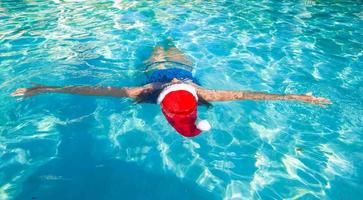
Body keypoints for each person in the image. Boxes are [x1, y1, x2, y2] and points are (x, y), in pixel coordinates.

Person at [11, 39, 331, 137]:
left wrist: (49, 87)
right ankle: (165, 41)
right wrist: (297, 97)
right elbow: (249, 95)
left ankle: (162, 42)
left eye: (179, 86)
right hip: (180, 64)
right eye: (181, 87)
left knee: (159, 49)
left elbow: (98, 89)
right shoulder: (204, 93)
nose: (178, 83)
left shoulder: (144, 90)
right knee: (171, 49)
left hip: (153, 70)